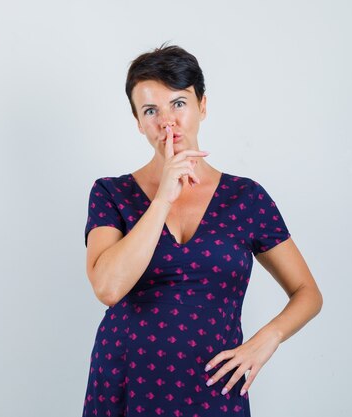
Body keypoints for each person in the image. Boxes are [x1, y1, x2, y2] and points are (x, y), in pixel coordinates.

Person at [81, 43, 323, 417]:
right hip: (127, 382)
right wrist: (162, 198)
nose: (167, 122)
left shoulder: (247, 197)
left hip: (216, 383)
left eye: (178, 103)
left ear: (202, 106)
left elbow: (307, 293)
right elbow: (108, 288)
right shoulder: (111, 193)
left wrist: (265, 340)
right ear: (138, 122)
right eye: (151, 110)